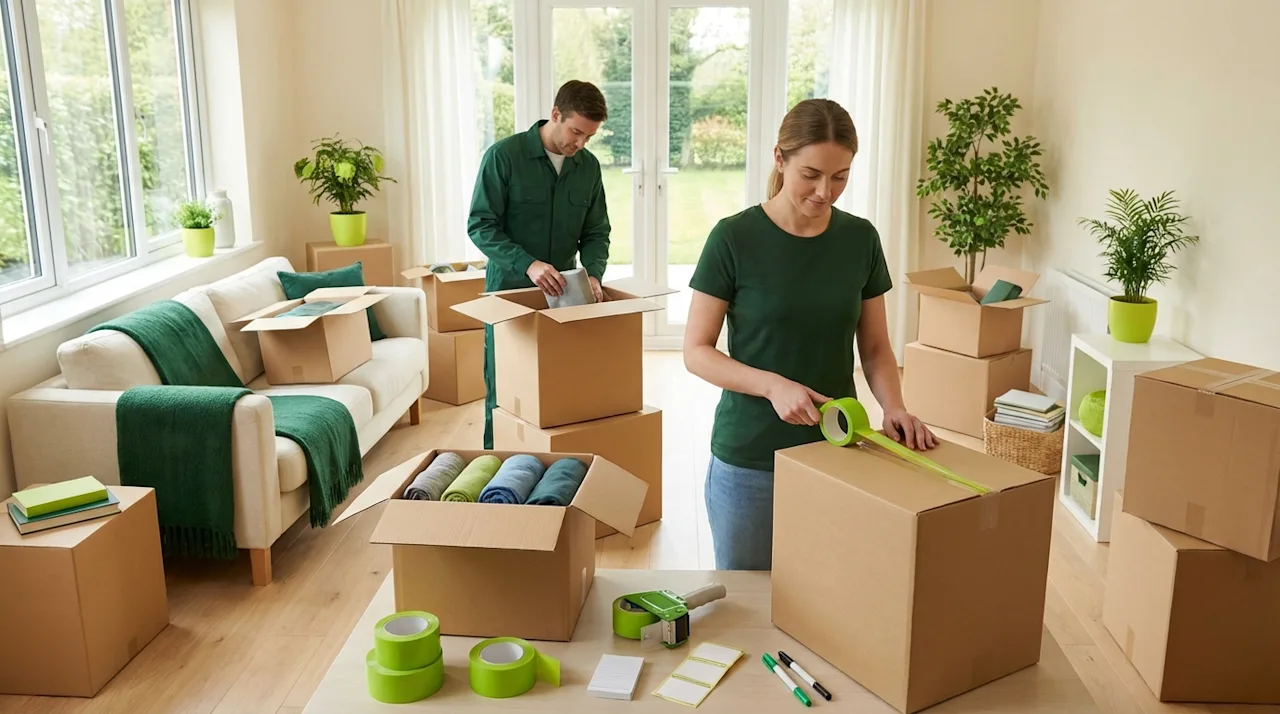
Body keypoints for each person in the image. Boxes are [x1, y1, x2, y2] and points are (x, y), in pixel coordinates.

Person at [683, 98, 938, 571]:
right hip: (750, 458)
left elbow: (877, 347)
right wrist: (772, 385)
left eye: (840, 176)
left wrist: (894, 408)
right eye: (811, 174)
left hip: (837, 449)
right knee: (747, 606)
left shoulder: (860, 239)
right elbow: (696, 352)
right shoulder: (734, 238)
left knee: (827, 600)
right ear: (780, 160)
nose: (826, 191)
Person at [468, 80, 612, 449]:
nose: (579, 143)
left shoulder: (588, 168)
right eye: (576, 131)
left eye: (589, 136)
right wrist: (528, 263)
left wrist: (593, 273)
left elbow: (596, 231)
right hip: (509, 292)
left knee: (559, 386)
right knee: (505, 388)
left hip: (565, 297)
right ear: (555, 115)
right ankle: (496, 470)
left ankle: (551, 471)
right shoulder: (503, 156)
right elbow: (481, 225)